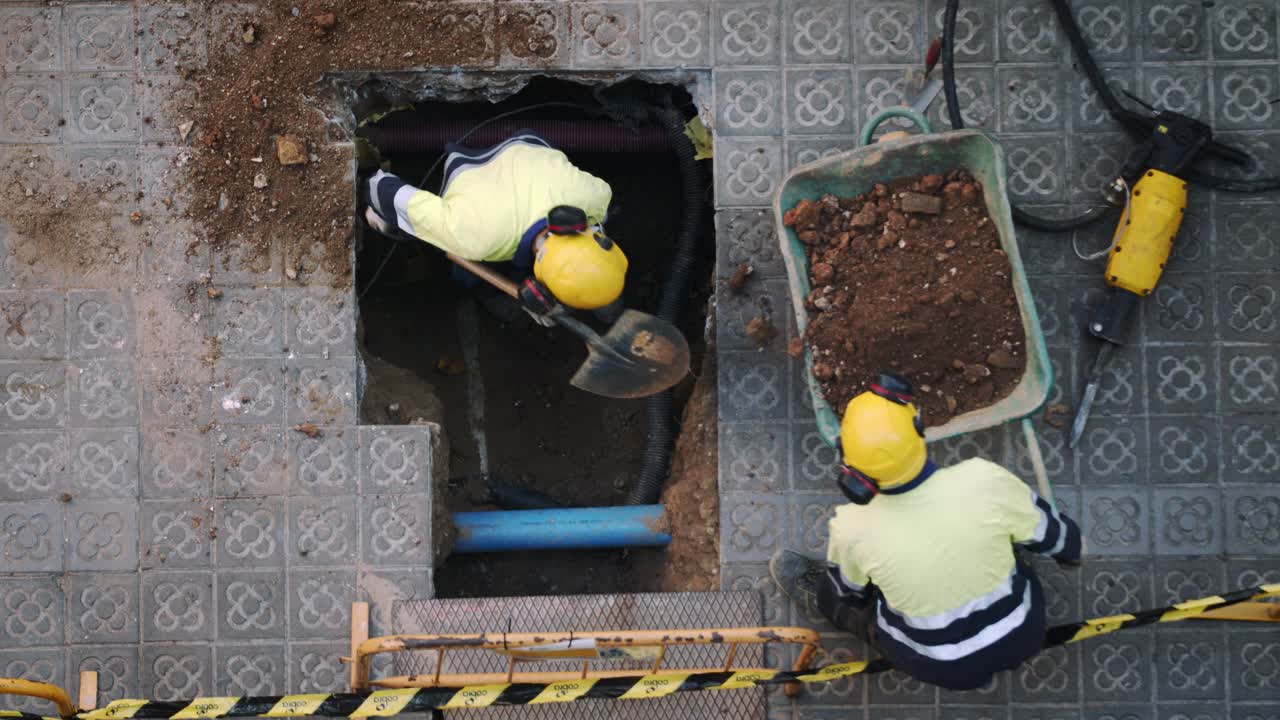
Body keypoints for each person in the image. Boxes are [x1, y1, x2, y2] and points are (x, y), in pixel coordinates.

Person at [770, 371, 1083, 691]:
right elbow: (1063, 540)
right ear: (918, 430)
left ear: (854, 477)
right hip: (1025, 633)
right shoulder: (984, 480)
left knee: (835, 596)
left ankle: (827, 605)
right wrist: (1069, 554)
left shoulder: (852, 528)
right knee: (1007, 529)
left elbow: (853, 594)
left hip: (941, 665)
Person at [361, 131, 627, 323]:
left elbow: (599, 220)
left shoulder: (595, 197)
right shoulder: (474, 236)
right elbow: (382, 188)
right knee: (464, 265)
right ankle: (489, 293)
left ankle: (597, 292)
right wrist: (384, 213)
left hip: (528, 146)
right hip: (469, 171)